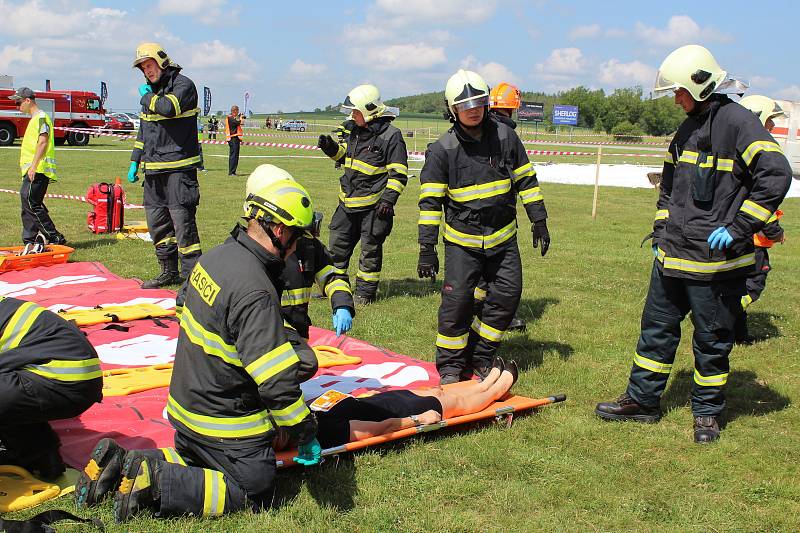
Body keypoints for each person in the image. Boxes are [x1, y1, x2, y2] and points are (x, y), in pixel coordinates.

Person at [75, 180, 321, 522]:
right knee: (255, 489)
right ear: (279, 230)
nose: (298, 248)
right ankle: (159, 482)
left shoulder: (217, 257)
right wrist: (304, 432)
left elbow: (182, 306)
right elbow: (276, 383)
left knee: (202, 465)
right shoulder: (255, 291)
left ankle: (123, 465)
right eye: (298, 236)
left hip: (186, 415)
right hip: (222, 425)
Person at [595, 45, 792, 443]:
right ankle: (642, 401)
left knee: (712, 341)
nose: (675, 99)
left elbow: (776, 175)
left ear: (700, 84)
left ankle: (707, 415)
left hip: (716, 264)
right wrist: (661, 229)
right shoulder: (686, 129)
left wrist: (740, 227)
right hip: (673, 257)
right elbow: (668, 186)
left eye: (679, 91)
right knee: (656, 331)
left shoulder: (739, 123)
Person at [417, 70, 550, 385]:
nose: (473, 109)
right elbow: (430, 204)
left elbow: (526, 181)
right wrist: (426, 249)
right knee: (458, 304)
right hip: (462, 244)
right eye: (465, 105)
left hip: (503, 241)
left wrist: (539, 219)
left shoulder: (506, 137)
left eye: (478, 102)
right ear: (452, 110)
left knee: (507, 297)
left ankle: (481, 358)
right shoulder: (442, 150)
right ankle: (450, 368)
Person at [243, 164, 355, 372]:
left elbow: (331, 276)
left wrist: (342, 304)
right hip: (262, 340)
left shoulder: (307, 245)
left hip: (298, 336)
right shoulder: (246, 253)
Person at [276, 358, 518, 450]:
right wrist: (418, 420)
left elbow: (342, 402)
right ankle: (497, 389)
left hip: (381, 401)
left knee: (448, 394)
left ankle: (484, 384)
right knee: (456, 402)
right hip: (397, 412)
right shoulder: (322, 433)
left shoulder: (303, 415)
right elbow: (378, 429)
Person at [317, 84, 409, 304]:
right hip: (346, 201)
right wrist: (331, 149)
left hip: (374, 206)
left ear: (370, 110)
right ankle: (333, 288)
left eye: (356, 111)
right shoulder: (354, 131)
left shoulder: (391, 136)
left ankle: (364, 294)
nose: (352, 115)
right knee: (337, 247)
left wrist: (388, 199)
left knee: (369, 252)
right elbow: (347, 160)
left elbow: (399, 173)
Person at [0, 296, 102, 478]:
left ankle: (39, 453)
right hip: (75, 380)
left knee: (11, 389)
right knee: (13, 391)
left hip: (60, 377)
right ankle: (42, 456)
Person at [128, 42, 203, 289]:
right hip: (153, 171)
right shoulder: (149, 93)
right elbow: (144, 132)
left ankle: (193, 277)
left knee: (183, 226)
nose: (147, 71)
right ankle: (168, 271)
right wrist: (134, 161)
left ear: (162, 62)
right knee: (158, 224)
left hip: (179, 169)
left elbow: (168, 108)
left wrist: (146, 96)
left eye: (150, 65)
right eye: (143, 68)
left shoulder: (184, 86)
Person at [733, 95, 790, 343]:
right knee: (752, 285)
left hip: (741, 237)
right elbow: (762, 204)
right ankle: (723, 311)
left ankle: (739, 334)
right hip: (753, 241)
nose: (772, 129)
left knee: (736, 286)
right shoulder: (757, 159)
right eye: (769, 123)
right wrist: (776, 233)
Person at [472, 82, 527, 332]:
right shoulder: (506, 133)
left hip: (471, 214)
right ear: (512, 109)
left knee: (480, 270)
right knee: (501, 273)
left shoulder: (481, 126)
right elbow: (520, 174)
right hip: (498, 213)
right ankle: (498, 314)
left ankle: (473, 308)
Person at [10, 87, 66, 247]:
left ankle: (54, 236)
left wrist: (33, 166)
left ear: (28, 100)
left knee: (30, 201)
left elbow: (43, 141)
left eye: (18, 102)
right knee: (28, 201)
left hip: (39, 169)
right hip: (32, 169)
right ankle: (30, 239)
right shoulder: (34, 119)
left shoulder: (41, 118)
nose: (17, 106)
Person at [225, 105, 244, 176]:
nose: (238, 111)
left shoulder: (232, 118)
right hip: (233, 139)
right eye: (237, 110)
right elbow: (240, 122)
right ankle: (232, 172)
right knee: (234, 156)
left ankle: (233, 171)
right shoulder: (230, 118)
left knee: (235, 156)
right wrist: (241, 117)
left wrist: (239, 117)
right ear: (234, 111)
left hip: (235, 139)